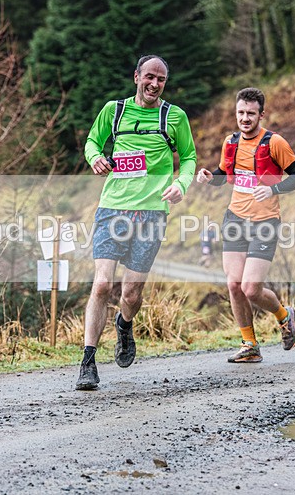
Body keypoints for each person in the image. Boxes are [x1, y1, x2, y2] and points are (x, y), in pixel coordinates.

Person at [76, 55, 197, 390]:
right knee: (102, 284)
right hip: (112, 208)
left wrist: (181, 184)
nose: (154, 84)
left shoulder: (174, 117)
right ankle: (88, 362)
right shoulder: (114, 111)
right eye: (149, 77)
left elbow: (188, 157)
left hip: (152, 213)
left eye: (160, 79)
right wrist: (96, 157)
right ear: (136, 77)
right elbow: (91, 141)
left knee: (131, 292)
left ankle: (124, 324)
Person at [196, 87, 295, 362]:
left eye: (251, 114)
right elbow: (224, 175)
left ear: (261, 115)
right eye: (241, 113)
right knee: (234, 284)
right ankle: (250, 345)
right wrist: (210, 176)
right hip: (235, 218)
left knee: (251, 288)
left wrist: (274, 190)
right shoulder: (230, 142)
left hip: (264, 222)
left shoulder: (274, 142)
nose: (245, 118)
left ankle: (284, 315)